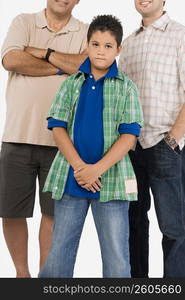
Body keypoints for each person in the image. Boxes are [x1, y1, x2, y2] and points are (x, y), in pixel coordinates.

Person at [38, 14, 144, 278]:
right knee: (59, 253)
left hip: (113, 181)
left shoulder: (126, 88)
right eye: (95, 44)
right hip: (71, 179)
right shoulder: (71, 84)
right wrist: (80, 168)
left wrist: (96, 170)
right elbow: (58, 127)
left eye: (108, 46)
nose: (100, 51)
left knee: (117, 259)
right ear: (87, 45)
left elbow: (129, 137)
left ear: (118, 50)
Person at [0, 0, 88, 277]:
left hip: (62, 142)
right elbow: (11, 60)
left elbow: (86, 65)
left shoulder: (85, 30)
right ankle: (22, 275)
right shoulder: (23, 22)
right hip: (17, 135)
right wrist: (63, 65)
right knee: (11, 211)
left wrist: (42, 54)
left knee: (54, 214)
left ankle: (44, 277)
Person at [119, 0, 185, 278]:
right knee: (133, 224)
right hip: (131, 147)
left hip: (164, 144)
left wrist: (173, 140)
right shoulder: (128, 43)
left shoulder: (180, 35)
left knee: (175, 228)